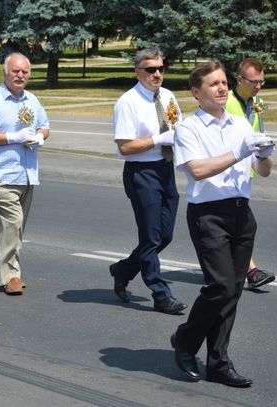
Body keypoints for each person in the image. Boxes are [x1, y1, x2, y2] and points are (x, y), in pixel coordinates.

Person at [171, 60, 274, 387]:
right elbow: (197, 170)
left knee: (233, 291)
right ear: (196, 92)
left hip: (241, 213)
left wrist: (264, 153)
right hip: (208, 214)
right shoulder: (189, 128)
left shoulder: (240, 123)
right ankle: (186, 341)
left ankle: (218, 363)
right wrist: (239, 151)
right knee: (220, 287)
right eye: (213, 84)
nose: (221, 88)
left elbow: (264, 171)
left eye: (223, 82)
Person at [110, 48, 186, 314]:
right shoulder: (128, 102)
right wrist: (157, 140)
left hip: (166, 170)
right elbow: (124, 148)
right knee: (151, 237)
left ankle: (123, 269)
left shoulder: (167, 96)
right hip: (141, 173)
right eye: (151, 69)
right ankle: (160, 293)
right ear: (137, 72)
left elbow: (179, 125)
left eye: (161, 69)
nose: (157, 74)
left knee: (164, 236)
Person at [0, 52, 49, 295]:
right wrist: (13, 138)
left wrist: (39, 137)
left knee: (15, 227)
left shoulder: (32, 100)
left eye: (25, 72)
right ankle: (11, 277)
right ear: (5, 72)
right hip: (0, 174)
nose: (20, 76)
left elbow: (44, 125)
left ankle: (3, 273)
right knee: (12, 222)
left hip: (27, 173)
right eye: (16, 71)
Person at [225, 58, 275, 289]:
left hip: (246, 173)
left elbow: (259, 133)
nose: (258, 87)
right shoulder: (225, 102)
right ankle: (251, 271)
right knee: (244, 223)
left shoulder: (258, 102)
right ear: (239, 80)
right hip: (224, 172)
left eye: (261, 82)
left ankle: (233, 267)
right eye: (254, 82)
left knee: (237, 224)